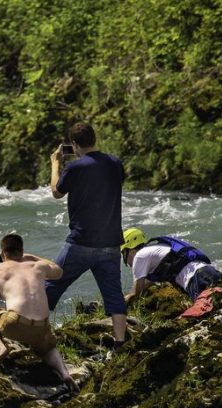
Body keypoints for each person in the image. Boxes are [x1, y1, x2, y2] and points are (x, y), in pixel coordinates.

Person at [48, 122, 128, 353]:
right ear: (94, 139)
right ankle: (120, 343)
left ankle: (33, 332)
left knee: (51, 285)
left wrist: (55, 164)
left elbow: (56, 192)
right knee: (113, 293)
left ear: (73, 144)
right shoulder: (115, 163)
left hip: (81, 242)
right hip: (111, 242)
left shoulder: (75, 168)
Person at [0, 234, 77, 392]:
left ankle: (0, 347)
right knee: (48, 348)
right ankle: (64, 373)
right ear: (22, 251)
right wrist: (32, 257)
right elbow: (59, 271)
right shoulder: (37, 266)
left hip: (15, 324)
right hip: (41, 328)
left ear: (3, 253)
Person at [120, 227, 222, 303]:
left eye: (124, 254)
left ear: (129, 250)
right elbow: (146, 284)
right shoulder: (156, 249)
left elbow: (135, 293)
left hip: (196, 280)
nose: (127, 261)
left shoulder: (140, 256)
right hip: (208, 272)